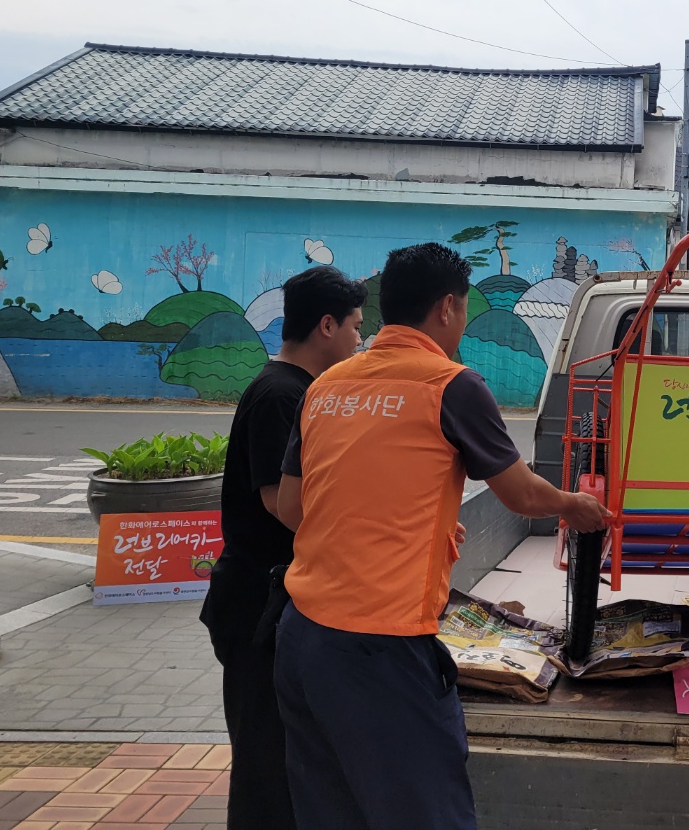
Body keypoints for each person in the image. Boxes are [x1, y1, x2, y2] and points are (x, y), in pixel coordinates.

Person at [272, 243, 610, 830]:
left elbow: (293, 508)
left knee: (331, 813)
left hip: (301, 639)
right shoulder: (450, 385)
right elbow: (522, 495)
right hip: (382, 648)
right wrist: (574, 506)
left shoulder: (326, 386)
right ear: (447, 308)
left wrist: (397, 521)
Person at [198, 265, 366, 830]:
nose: (359, 339)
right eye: (356, 327)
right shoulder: (280, 396)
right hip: (255, 608)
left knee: (287, 761)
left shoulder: (302, 392)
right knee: (264, 766)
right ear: (327, 326)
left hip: (276, 603)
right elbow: (282, 504)